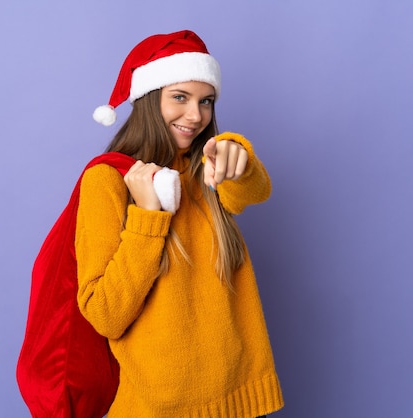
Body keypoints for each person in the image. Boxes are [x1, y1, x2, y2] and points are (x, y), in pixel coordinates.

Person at [78, 30, 283, 417]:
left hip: (238, 396)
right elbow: (105, 313)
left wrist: (238, 155)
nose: (196, 115)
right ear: (149, 98)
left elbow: (253, 190)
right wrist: (148, 218)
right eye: (179, 97)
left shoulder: (205, 168)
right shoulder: (106, 180)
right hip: (161, 407)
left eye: (206, 101)